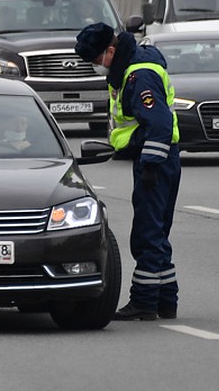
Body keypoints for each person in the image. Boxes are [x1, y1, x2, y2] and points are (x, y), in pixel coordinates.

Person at [76, 21, 182, 321]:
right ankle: (166, 300)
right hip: (159, 159)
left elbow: (159, 125)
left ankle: (145, 302)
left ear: (111, 50)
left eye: (97, 60)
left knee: (147, 234)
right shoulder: (131, 68)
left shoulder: (139, 75)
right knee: (157, 233)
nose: (97, 66)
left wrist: (149, 165)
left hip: (156, 161)